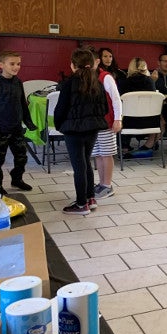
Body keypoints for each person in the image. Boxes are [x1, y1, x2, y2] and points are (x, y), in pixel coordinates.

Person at [54, 48, 107, 215]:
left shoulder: (68, 83)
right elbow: (105, 107)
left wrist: (59, 125)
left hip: (73, 130)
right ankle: (90, 198)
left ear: (72, 65)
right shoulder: (97, 82)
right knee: (86, 163)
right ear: (92, 64)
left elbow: (60, 108)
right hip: (93, 128)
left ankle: (81, 204)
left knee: (79, 167)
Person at [0, 50, 36, 196]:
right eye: (12, 64)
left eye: (18, 64)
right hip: (1, 129)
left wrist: (28, 122)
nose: (16, 67)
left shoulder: (18, 81)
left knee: (22, 157)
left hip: (16, 127)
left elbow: (22, 103)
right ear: (1, 64)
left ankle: (17, 179)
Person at [91, 48, 122, 200]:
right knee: (97, 153)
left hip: (107, 122)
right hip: (94, 123)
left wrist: (118, 119)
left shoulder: (106, 77)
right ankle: (101, 183)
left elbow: (116, 99)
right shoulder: (90, 77)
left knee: (106, 153)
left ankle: (107, 185)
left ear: (97, 62)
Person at [119, 58, 160, 157]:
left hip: (127, 123)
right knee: (162, 117)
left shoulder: (123, 82)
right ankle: (149, 146)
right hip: (150, 123)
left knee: (122, 114)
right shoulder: (150, 81)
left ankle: (124, 147)